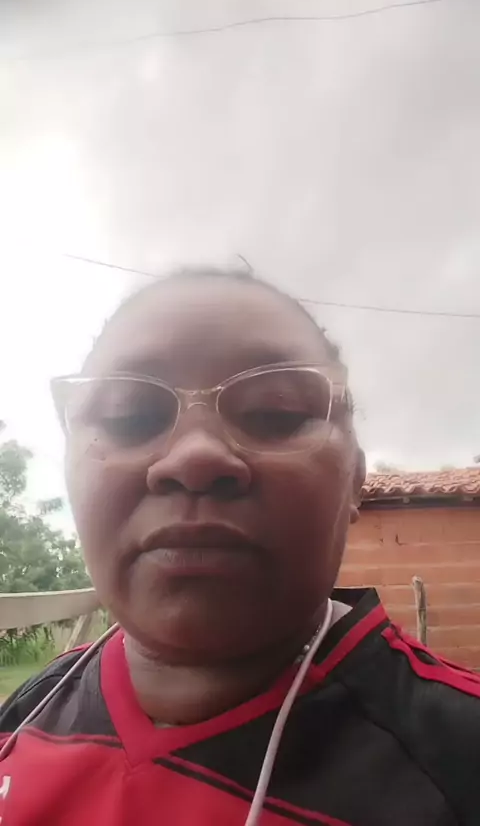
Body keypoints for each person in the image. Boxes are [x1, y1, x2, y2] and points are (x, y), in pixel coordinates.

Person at [0, 267, 479, 826]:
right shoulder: (30, 710)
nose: (195, 455)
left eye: (275, 413)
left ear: (355, 480)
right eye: (130, 416)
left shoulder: (459, 759)